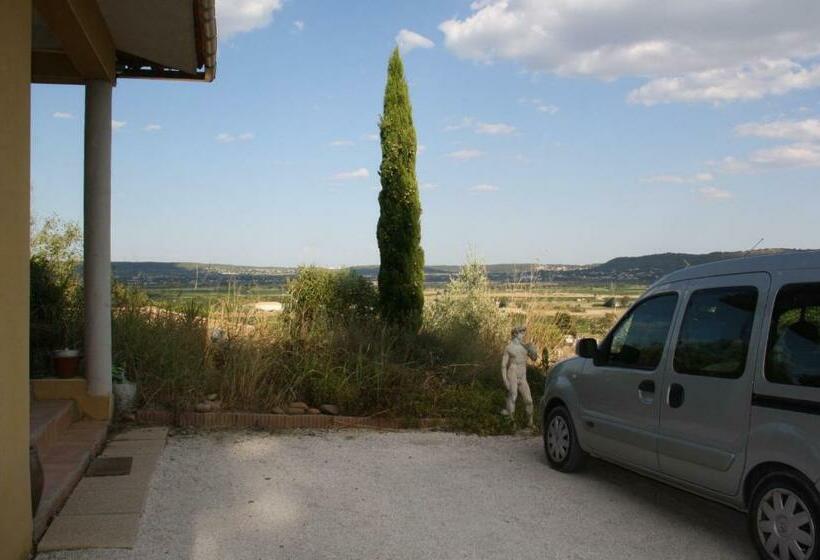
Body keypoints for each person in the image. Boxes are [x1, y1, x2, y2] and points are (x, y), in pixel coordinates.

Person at [500, 326, 538, 427]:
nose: (523, 335)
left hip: (523, 375)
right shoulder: (509, 347)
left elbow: (534, 358)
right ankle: (511, 422)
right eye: (521, 333)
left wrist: (532, 350)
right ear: (515, 334)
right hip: (512, 372)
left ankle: (530, 423)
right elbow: (503, 365)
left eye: (523, 332)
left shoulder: (525, 346)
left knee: (529, 400)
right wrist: (505, 380)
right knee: (513, 397)